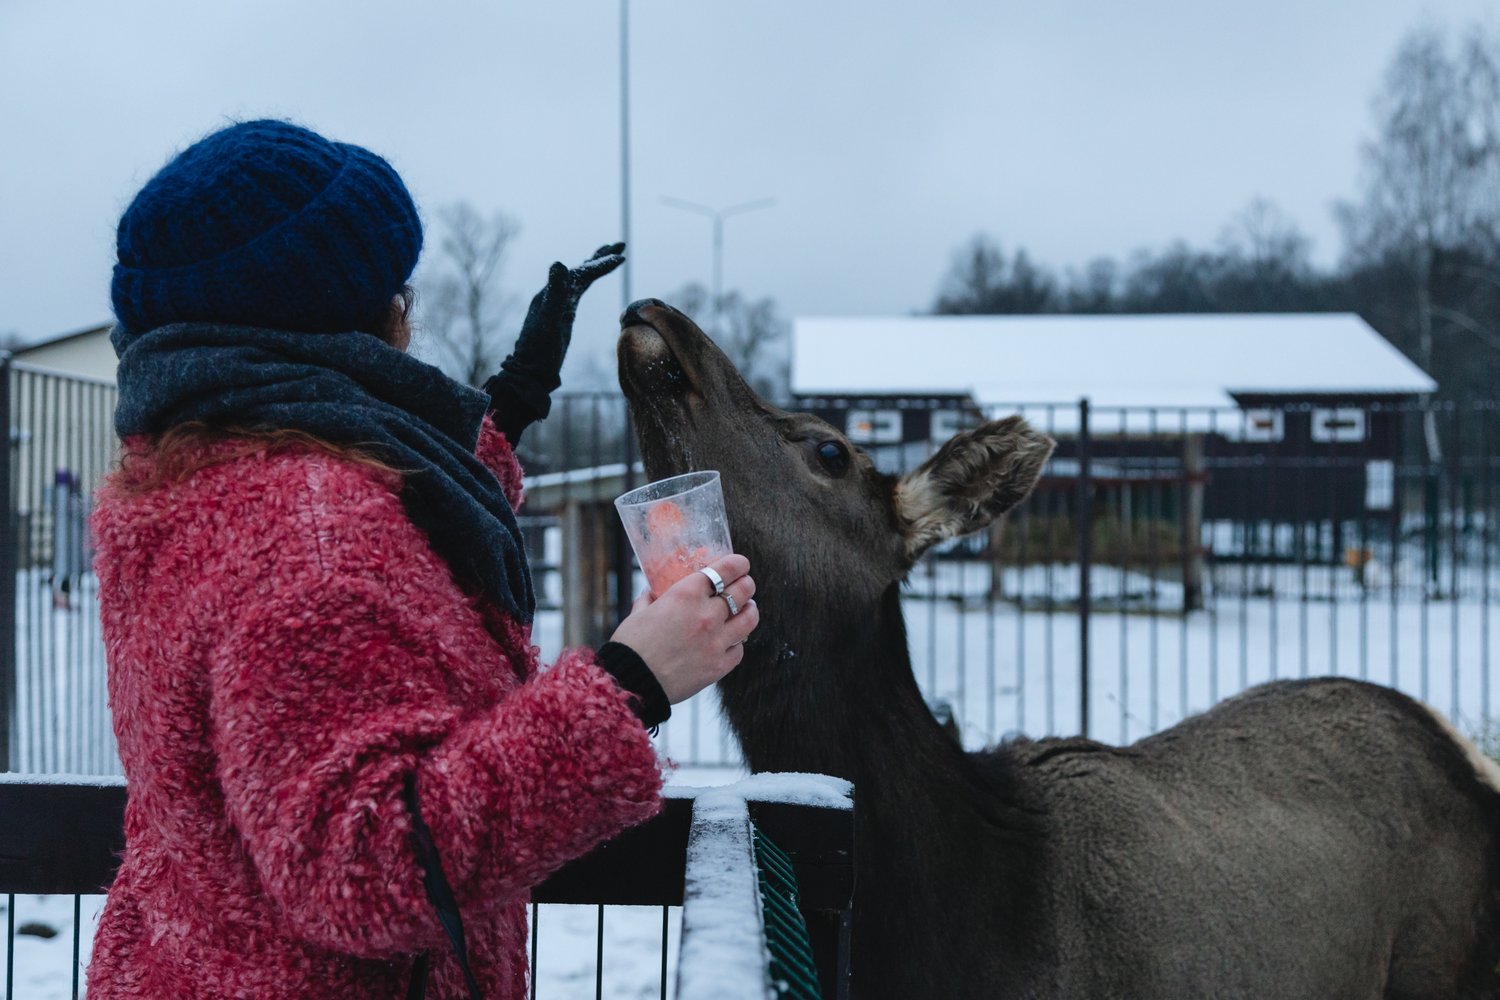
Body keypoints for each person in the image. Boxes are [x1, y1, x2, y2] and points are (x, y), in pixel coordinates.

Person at [87, 118, 758, 1000]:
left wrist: (511, 404)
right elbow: (369, 867)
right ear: (331, 320)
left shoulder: (204, 482)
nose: (409, 315)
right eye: (394, 289)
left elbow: (379, 549)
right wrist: (631, 684)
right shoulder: (312, 539)